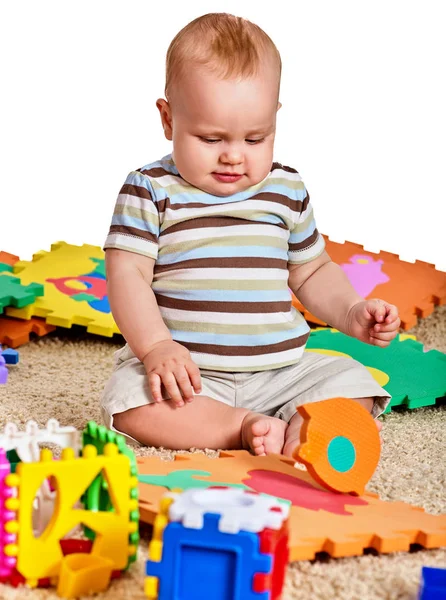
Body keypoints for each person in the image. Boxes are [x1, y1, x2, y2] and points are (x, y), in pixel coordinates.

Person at [101, 12, 400, 457]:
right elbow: (127, 275)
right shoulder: (151, 189)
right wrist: (156, 346)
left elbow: (312, 270)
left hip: (281, 371)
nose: (233, 157)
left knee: (353, 378)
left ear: (274, 120)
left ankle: (304, 427)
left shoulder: (286, 189)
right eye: (210, 138)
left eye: (256, 138)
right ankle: (240, 427)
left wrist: (350, 311)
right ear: (168, 119)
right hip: (188, 377)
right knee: (129, 401)